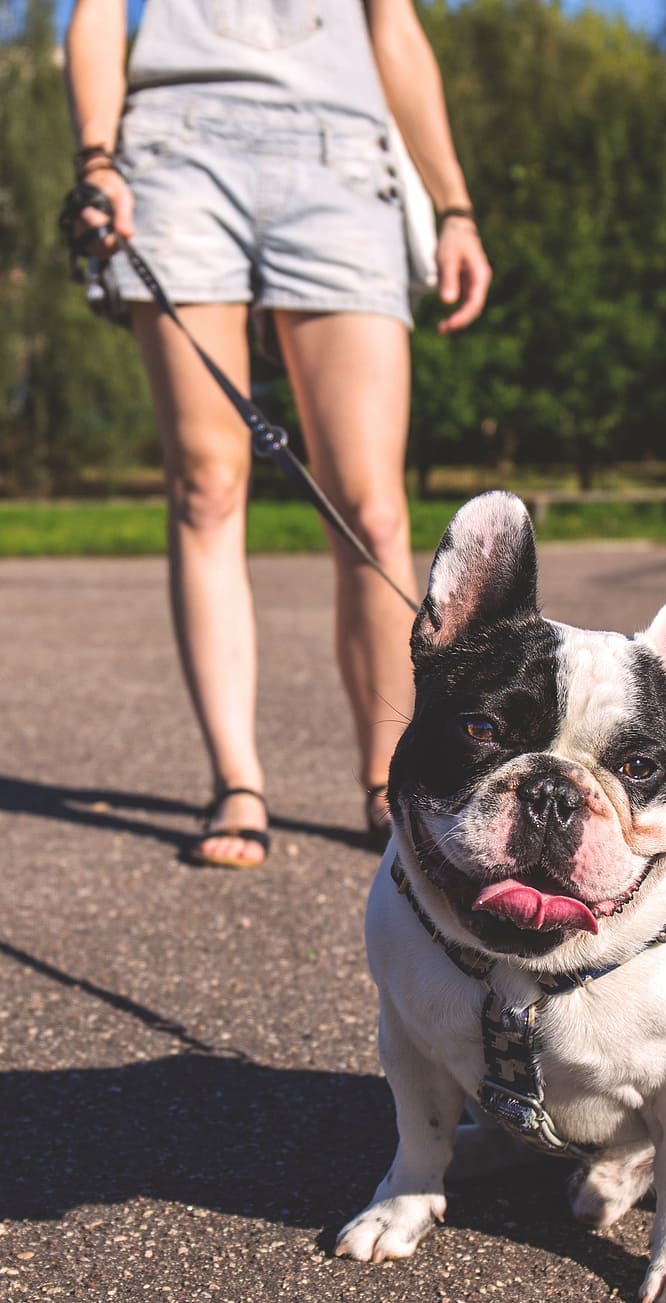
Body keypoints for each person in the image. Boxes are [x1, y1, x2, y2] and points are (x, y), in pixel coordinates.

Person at [63, 0, 491, 867]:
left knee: (371, 510)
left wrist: (454, 205)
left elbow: (396, 28)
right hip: (177, 148)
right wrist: (97, 159)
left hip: (341, 155)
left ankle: (386, 777)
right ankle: (237, 780)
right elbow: (98, 10)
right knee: (207, 486)